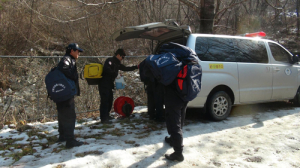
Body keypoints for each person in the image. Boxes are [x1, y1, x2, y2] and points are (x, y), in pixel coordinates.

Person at [98, 49, 138, 124]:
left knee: (110, 100)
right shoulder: (110, 60)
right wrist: (115, 74)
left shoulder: (117, 63)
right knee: (105, 101)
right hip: (104, 84)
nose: (122, 59)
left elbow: (125, 68)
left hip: (110, 84)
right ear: (118, 55)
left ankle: (107, 115)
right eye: (122, 57)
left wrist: (135, 67)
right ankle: (103, 118)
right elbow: (107, 69)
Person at [56, 43, 84, 148]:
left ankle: (62, 136)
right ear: (72, 51)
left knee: (63, 114)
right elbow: (65, 68)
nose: (79, 54)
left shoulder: (67, 58)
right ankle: (70, 140)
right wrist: (73, 77)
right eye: (78, 51)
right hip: (66, 92)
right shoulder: (67, 59)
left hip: (61, 91)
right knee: (69, 116)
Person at [164, 82, 188, 161]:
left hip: (174, 94)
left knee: (174, 123)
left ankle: (178, 153)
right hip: (185, 92)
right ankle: (173, 139)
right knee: (179, 119)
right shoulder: (186, 68)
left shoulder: (174, 68)